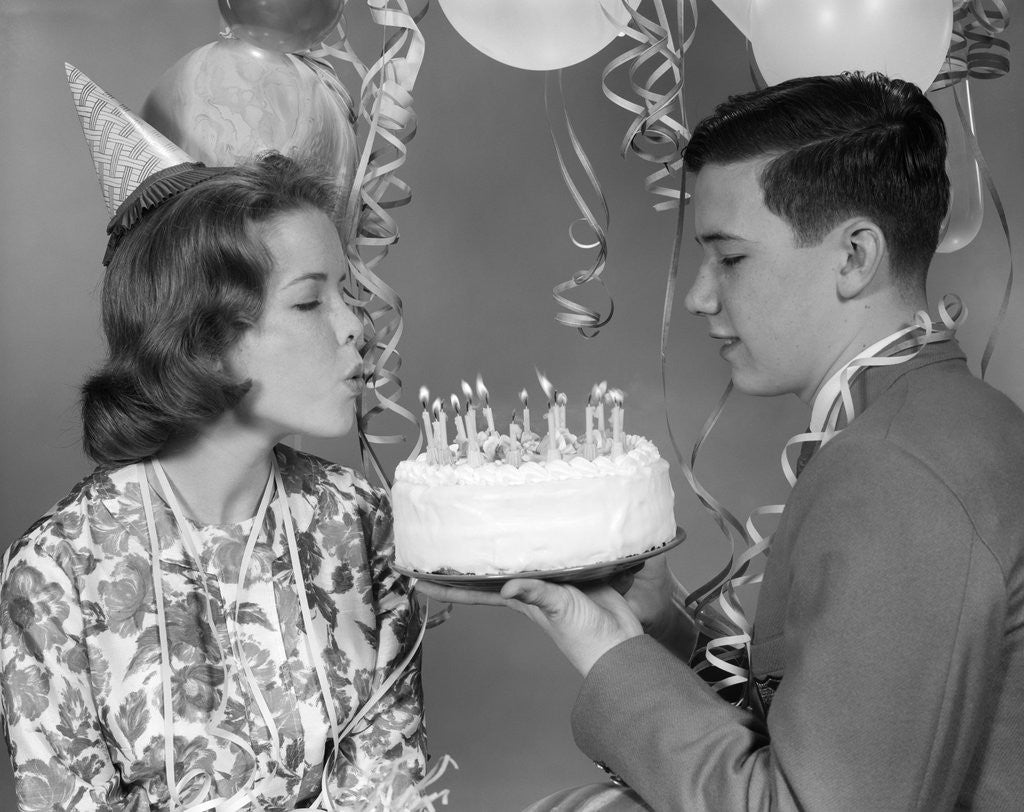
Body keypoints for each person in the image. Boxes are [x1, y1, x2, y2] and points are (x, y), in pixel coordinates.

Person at [416, 72, 1024, 809]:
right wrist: (661, 627)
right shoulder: (936, 419)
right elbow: (849, 729)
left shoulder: (896, 470)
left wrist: (608, 652)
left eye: (730, 258)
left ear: (855, 256)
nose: (701, 296)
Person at [0, 67, 426, 811]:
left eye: (348, 293)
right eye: (308, 301)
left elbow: (388, 779)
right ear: (205, 338)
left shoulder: (356, 518)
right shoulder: (59, 568)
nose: (357, 326)